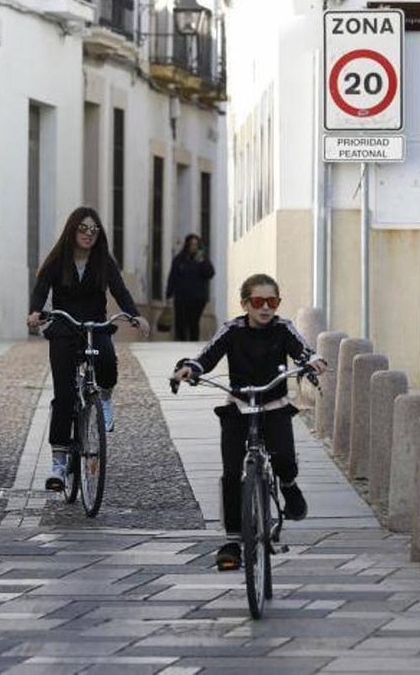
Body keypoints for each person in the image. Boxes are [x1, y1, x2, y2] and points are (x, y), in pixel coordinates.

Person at [171, 273, 328, 570]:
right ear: (245, 304)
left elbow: (301, 349)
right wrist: (190, 369)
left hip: (274, 404)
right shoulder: (232, 329)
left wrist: (311, 360)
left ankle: (289, 486)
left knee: (283, 459)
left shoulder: (283, 328)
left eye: (272, 301)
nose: (266, 308)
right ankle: (232, 541)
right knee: (231, 473)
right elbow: (207, 356)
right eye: (258, 302)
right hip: (239, 406)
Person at [27, 207, 150, 491]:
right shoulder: (58, 259)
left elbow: (120, 290)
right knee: (64, 395)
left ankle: (104, 397)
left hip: (94, 325)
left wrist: (135, 315)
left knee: (106, 360)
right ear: (72, 230)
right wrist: (35, 311)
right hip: (64, 327)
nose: (88, 235)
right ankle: (58, 463)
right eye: (83, 229)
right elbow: (41, 288)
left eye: (94, 230)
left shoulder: (103, 261)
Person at [165, 233, 215, 341]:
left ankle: (193, 341)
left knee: (193, 321)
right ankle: (181, 341)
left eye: (196, 245)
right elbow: (172, 277)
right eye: (192, 245)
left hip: (197, 298)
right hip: (181, 297)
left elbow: (210, 273)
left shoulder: (202, 259)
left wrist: (202, 262)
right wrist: (169, 294)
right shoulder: (179, 259)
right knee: (181, 322)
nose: (194, 247)